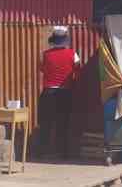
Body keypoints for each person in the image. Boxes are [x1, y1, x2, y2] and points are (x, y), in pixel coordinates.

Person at [39, 26, 81, 157]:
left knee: (46, 123)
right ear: (65, 40)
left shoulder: (45, 54)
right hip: (65, 92)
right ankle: (62, 152)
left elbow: (42, 69)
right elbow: (77, 70)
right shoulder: (73, 54)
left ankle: (43, 151)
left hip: (48, 92)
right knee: (63, 123)